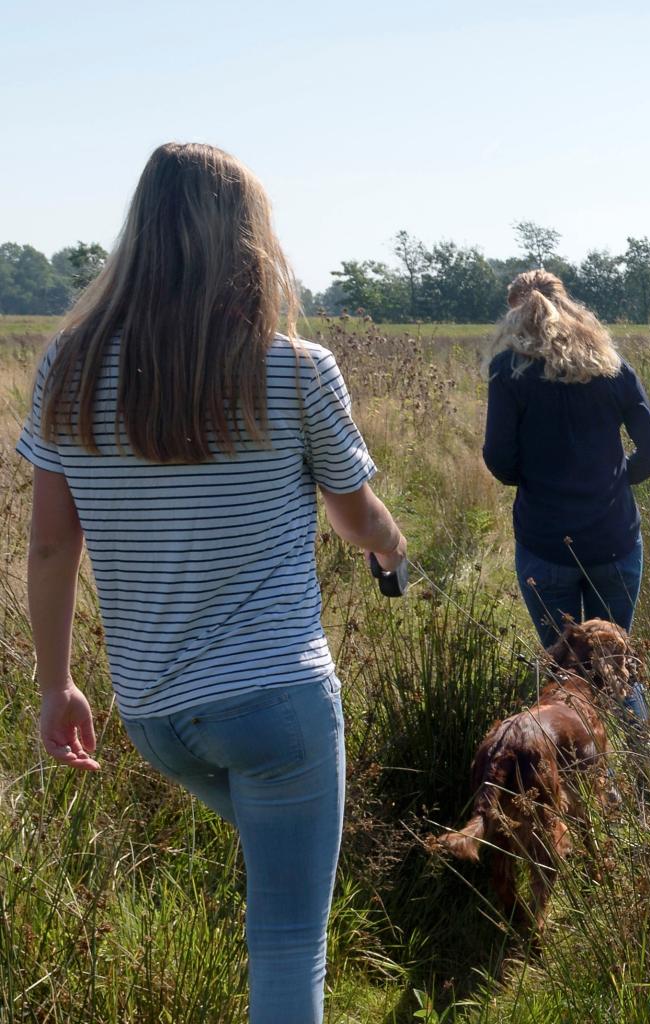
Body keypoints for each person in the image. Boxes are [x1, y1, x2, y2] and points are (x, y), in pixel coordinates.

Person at [22, 142, 406, 1024]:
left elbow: (50, 549)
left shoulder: (68, 369)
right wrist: (392, 552)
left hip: (156, 714)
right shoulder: (297, 368)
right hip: (277, 704)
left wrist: (57, 685)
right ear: (248, 241)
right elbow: (357, 518)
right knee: (286, 937)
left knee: (280, 873)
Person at [481, 269, 650, 720]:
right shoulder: (611, 368)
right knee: (617, 667)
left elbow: (500, 462)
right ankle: (647, 774)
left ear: (514, 315)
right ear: (570, 307)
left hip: (545, 545)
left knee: (566, 673)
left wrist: (542, 479)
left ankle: (583, 775)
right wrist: (613, 482)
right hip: (615, 539)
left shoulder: (508, 373)